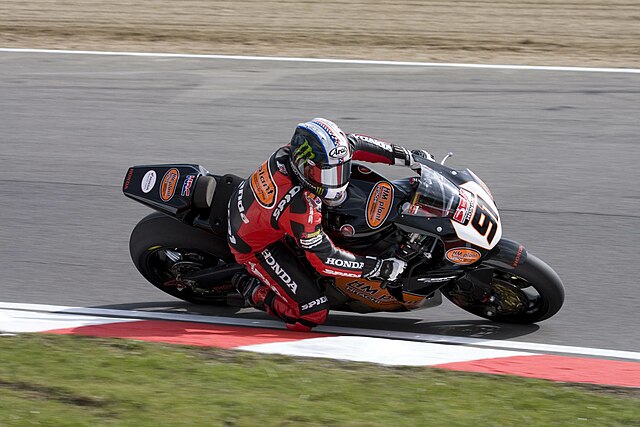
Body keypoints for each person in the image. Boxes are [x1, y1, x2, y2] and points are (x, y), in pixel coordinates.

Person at [227, 118, 433, 331]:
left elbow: (357, 144)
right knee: (311, 313)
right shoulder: (298, 204)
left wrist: (408, 157)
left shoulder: (303, 153)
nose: (335, 181)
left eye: (339, 170)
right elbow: (325, 259)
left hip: (260, 212)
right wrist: (380, 268)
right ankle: (251, 287)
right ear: (304, 167)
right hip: (255, 246)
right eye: (325, 174)